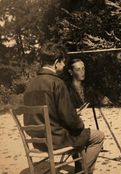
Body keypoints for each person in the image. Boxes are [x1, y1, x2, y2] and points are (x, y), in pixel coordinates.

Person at [23, 42, 105, 174]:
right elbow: (72, 122)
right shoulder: (57, 83)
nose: (64, 65)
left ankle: (80, 166)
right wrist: (78, 120)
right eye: (63, 62)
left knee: (77, 132)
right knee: (97, 136)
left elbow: (41, 114)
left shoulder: (30, 84)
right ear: (56, 62)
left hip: (37, 142)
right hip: (57, 140)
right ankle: (85, 172)